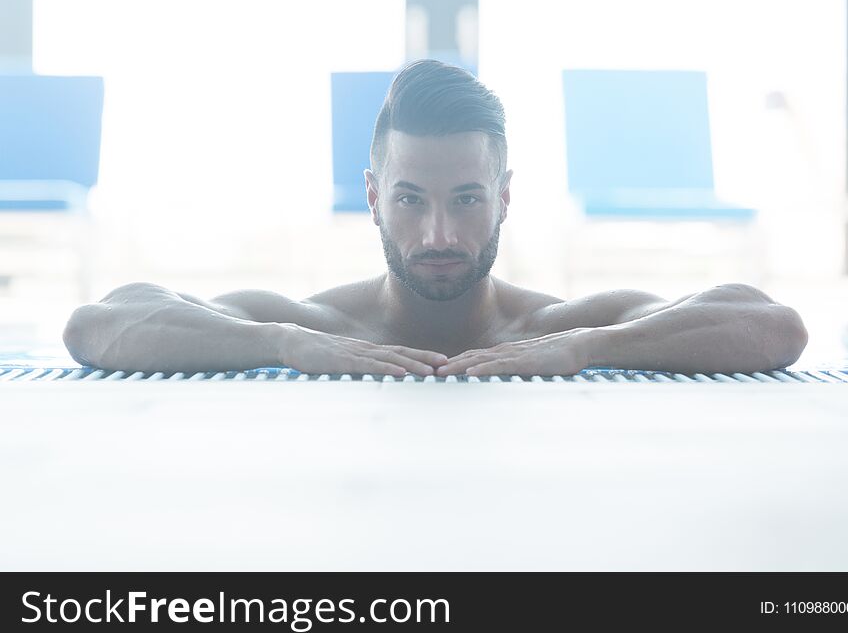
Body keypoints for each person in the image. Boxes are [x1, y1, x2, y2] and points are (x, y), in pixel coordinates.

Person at [63, 60, 808, 377]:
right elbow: (97, 324)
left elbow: (773, 325)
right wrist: (281, 344)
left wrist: (589, 348)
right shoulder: (313, 325)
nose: (441, 236)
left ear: (506, 196)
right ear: (372, 196)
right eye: (412, 201)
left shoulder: (560, 327)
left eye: (468, 200)